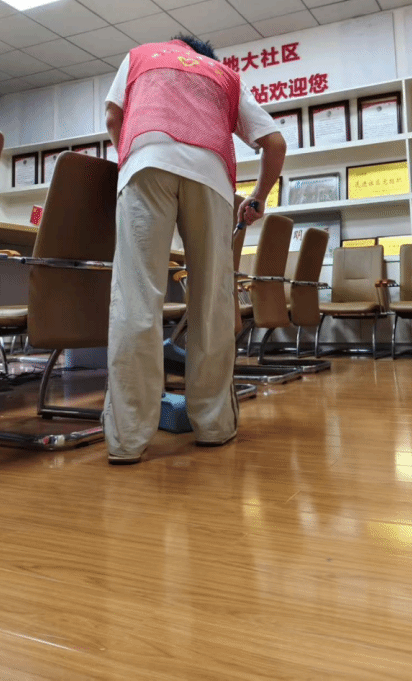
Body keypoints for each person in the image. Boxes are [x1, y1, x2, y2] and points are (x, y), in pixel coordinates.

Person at [103, 34, 286, 464]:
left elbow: (113, 116)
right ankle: (214, 424)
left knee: (137, 297)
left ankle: (127, 439)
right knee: (212, 302)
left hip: (146, 162)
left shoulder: (140, 57)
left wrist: (134, 159)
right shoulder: (225, 74)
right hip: (211, 174)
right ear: (205, 57)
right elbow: (274, 143)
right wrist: (257, 198)